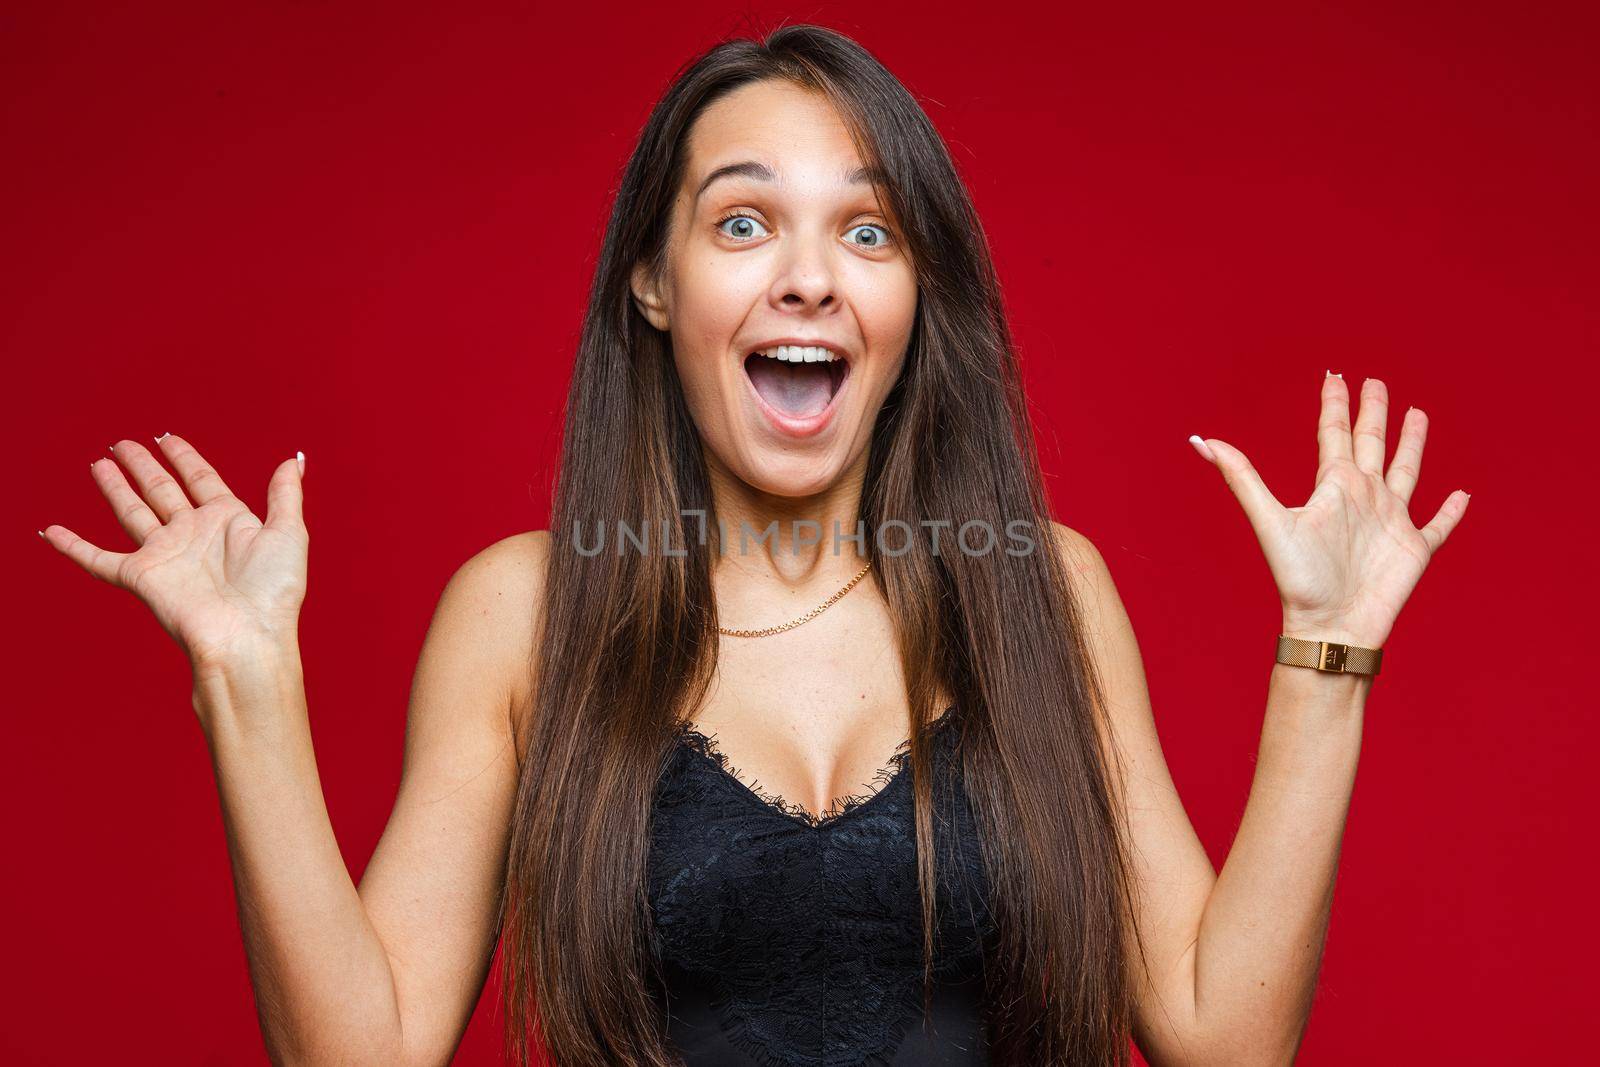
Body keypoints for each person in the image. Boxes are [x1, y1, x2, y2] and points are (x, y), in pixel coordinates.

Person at [39, 24, 1470, 1067]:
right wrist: (245, 682)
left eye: (869, 232)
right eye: (743, 221)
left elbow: (1224, 1039)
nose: (806, 275)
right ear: (656, 285)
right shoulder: (524, 612)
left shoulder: (1042, 587)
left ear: (917, 300)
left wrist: (1324, 659)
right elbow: (364, 1054)